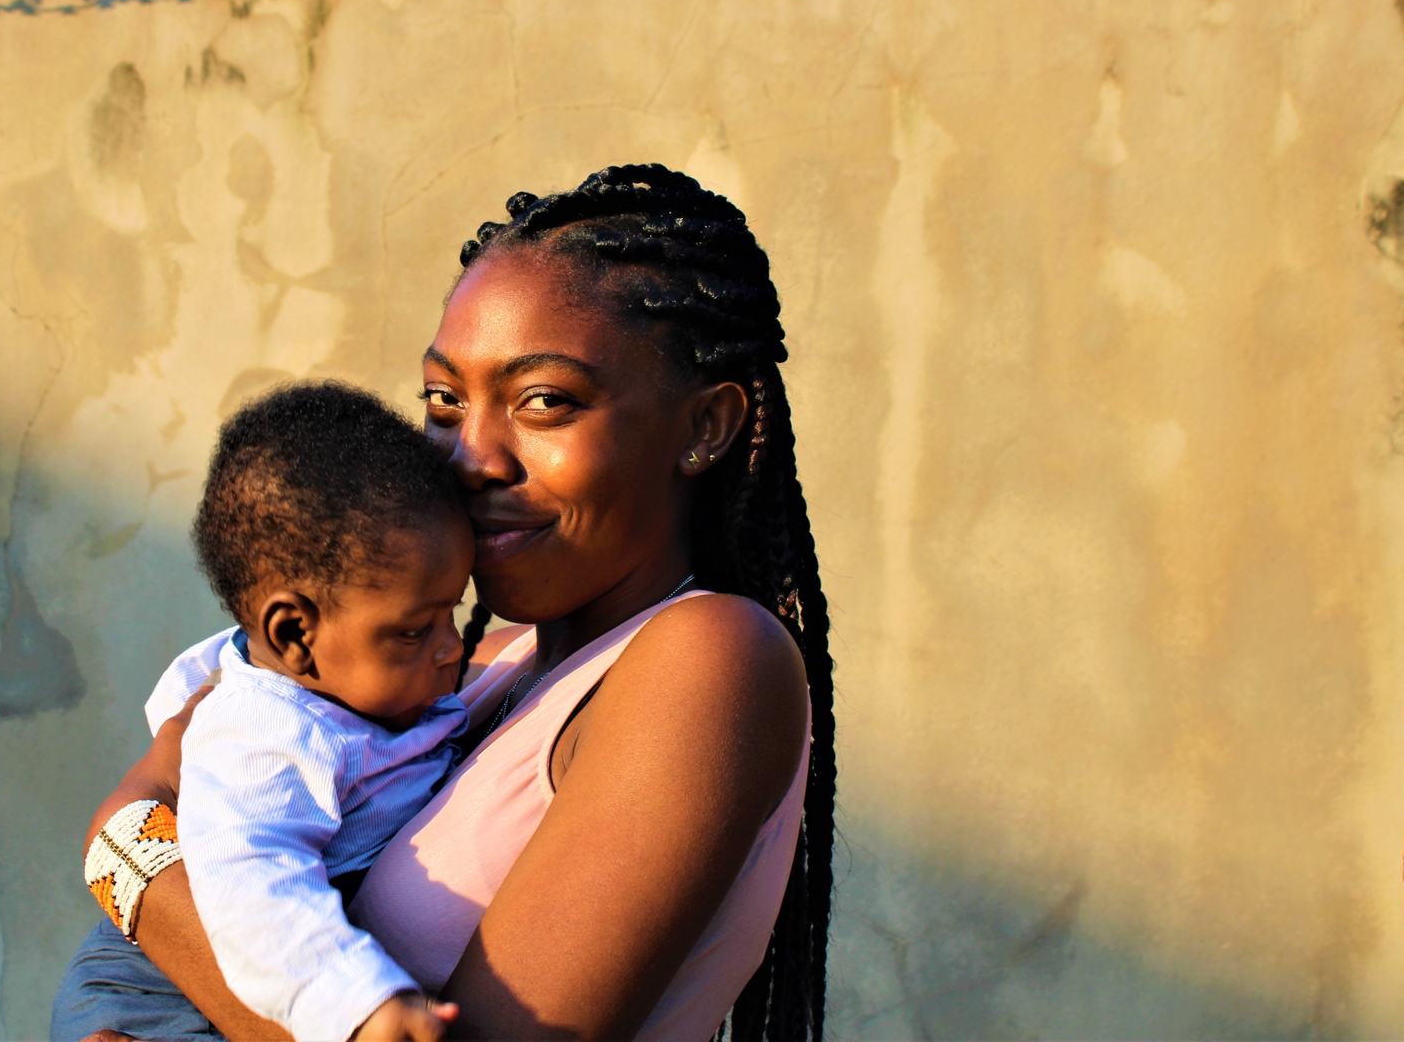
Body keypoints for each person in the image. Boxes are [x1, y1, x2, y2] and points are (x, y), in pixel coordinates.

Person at [54, 165, 835, 1041]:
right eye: (444, 401)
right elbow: (187, 761)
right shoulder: (476, 669)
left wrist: (133, 862)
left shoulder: (709, 658)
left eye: (544, 401)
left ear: (704, 428)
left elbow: (132, 822)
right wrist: (131, 844)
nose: (472, 456)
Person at [61, 383, 476, 1042]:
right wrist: (359, 1004)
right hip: (162, 998)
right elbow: (252, 877)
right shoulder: (273, 732)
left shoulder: (345, 691)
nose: (451, 647)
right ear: (292, 635)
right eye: (414, 630)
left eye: (454, 610)